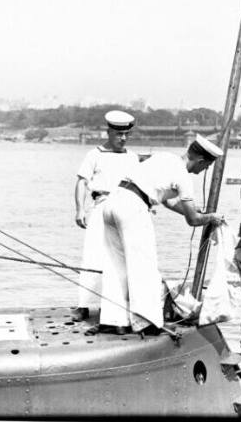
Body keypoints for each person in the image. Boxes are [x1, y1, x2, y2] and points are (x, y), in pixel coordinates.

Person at [96, 134, 225, 335]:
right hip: (134, 207)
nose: (205, 170)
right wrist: (211, 218)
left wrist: (197, 212)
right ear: (200, 160)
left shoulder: (164, 158)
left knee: (115, 264)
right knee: (143, 265)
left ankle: (113, 320)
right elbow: (192, 221)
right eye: (206, 166)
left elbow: (167, 201)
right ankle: (146, 323)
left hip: (113, 202)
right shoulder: (183, 176)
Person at [73, 110, 140, 321]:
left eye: (127, 135)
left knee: (120, 258)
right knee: (92, 254)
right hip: (101, 205)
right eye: (119, 134)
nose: (123, 139)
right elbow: (82, 182)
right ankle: (83, 305)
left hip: (124, 208)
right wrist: (80, 209)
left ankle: (110, 305)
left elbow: (139, 186)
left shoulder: (132, 158)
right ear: (109, 132)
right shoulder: (94, 155)